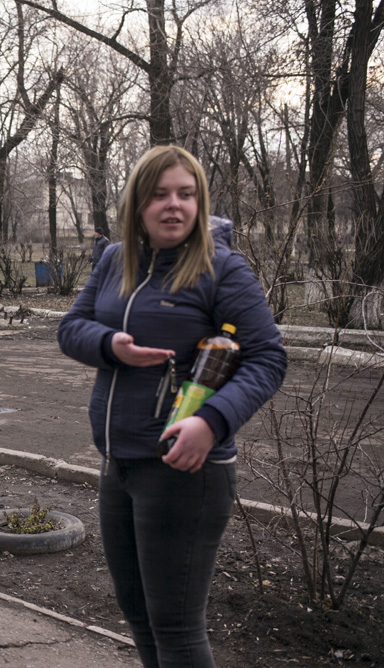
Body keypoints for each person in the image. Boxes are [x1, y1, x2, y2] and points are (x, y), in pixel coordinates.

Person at [57, 146, 287, 667]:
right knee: (136, 613)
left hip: (186, 470)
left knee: (177, 629)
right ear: (138, 205)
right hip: (120, 462)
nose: (173, 206)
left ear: (200, 203)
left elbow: (268, 359)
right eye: (159, 195)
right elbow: (70, 328)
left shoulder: (222, 269)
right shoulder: (118, 259)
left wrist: (211, 421)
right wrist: (111, 344)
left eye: (186, 194)